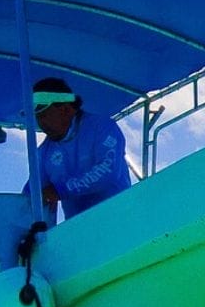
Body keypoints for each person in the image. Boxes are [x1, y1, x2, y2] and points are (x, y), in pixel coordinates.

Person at [24, 76, 131, 219]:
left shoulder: (102, 127)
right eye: (37, 117)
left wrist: (59, 190)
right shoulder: (44, 152)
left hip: (121, 219)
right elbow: (29, 196)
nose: (40, 123)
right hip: (79, 229)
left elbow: (109, 171)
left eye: (44, 115)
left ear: (65, 110)